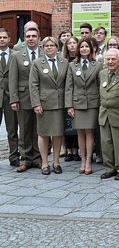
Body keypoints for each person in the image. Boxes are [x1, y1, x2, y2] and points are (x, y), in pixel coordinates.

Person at [29, 37, 68, 175]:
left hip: (59, 103)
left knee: (57, 134)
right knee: (43, 133)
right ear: (43, 48)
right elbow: (33, 85)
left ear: (57, 47)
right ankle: (45, 163)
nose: (49, 48)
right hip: (43, 104)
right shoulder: (37, 63)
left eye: (52, 45)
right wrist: (36, 103)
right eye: (46, 46)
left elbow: (68, 84)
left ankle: (56, 162)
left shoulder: (64, 62)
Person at [65, 38, 101, 175]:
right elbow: (69, 87)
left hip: (92, 103)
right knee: (80, 132)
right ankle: (82, 159)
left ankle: (88, 161)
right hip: (77, 103)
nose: (84, 49)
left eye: (87, 46)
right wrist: (69, 105)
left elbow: (99, 85)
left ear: (91, 49)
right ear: (78, 49)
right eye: (82, 47)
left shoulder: (97, 65)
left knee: (90, 132)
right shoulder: (72, 65)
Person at [9, 26, 42, 172]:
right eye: (28, 36)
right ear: (24, 38)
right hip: (23, 98)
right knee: (24, 129)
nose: (30, 39)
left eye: (33, 36)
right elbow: (12, 79)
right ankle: (26, 159)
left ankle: (38, 158)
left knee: (39, 129)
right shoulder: (16, 55)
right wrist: (14, 99)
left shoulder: (44, 53)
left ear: (39, 38)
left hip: (41, 98)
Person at [98, 49, 119, 180]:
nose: (110, 62)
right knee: (106, 142)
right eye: (108, 59)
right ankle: (109, 168)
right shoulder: (102, 73)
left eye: (113, 59)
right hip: (104, 113)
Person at [0, 28, 20, 167]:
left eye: (4, 37)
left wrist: (15, 97)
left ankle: (14, 156)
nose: (1, 39)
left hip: (9, 97)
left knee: (12, 129)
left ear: (9, 39)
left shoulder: (15, 55)